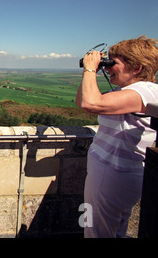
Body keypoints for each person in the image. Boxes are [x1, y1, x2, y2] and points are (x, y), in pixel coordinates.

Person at [76, 36, 158, 238]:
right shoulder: (130, 91)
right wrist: (88, 72)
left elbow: (90, 103)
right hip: (112, 173)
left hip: (114, 174)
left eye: (114, 63)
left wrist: (90, 69)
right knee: (115, 230)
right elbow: (82, 101)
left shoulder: (145, 91)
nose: (108, 67)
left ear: (136, 68)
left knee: (96, 232)